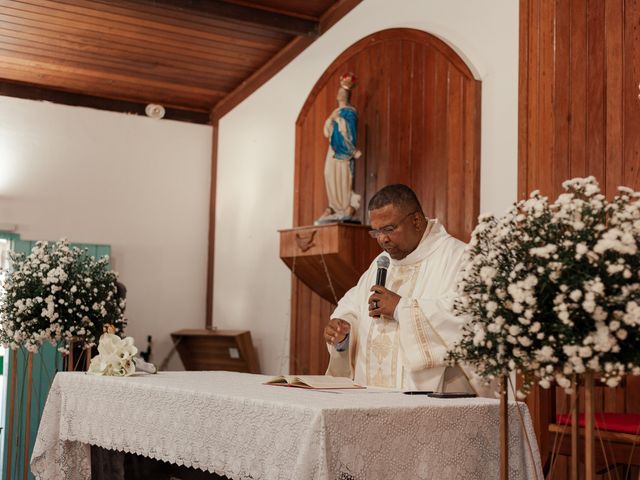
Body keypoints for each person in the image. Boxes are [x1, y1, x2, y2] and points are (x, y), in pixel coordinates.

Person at [323, 184, 476, 393]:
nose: (382, 239)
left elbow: (467, 318)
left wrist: (400, 308)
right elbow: (353, 307)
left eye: (389, 229)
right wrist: (343, 332)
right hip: (368, 399)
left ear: (416, 220)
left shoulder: (458, 257)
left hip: (427, 405)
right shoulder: (381, 262)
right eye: (376, 231)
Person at [316, 72, 362, 224]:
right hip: (333, 149)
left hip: (344, 150)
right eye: (339, 92)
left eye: (343, 92)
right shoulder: (335, 112)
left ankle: (344, 206)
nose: (341, 95)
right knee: (328, 172)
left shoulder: (350, 112)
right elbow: (327, 130)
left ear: (348, 95)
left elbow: (350, 130)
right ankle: (334, 206)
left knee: (343, 177)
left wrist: (340, 120)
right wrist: (331, 120)